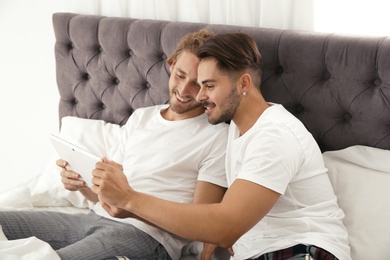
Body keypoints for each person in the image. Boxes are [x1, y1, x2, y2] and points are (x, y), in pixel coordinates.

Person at [92, 32, 352, 260]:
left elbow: (225, 227)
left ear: (243, 84)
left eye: (209, 86)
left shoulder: (275, 136)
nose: (200, 96)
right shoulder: (236, 128)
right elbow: (215, 219)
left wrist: (130, 199)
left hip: (302, 249)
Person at [0, 30, 229, 260]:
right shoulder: (142, 117)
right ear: (171, 64)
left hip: (146, 236)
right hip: (94, 218)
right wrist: (81, 184)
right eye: (180, 75)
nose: (185, 90)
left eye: (198, 84)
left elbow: (200, 224)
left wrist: (131, 205)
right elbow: (107, 198)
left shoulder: (216, 136)